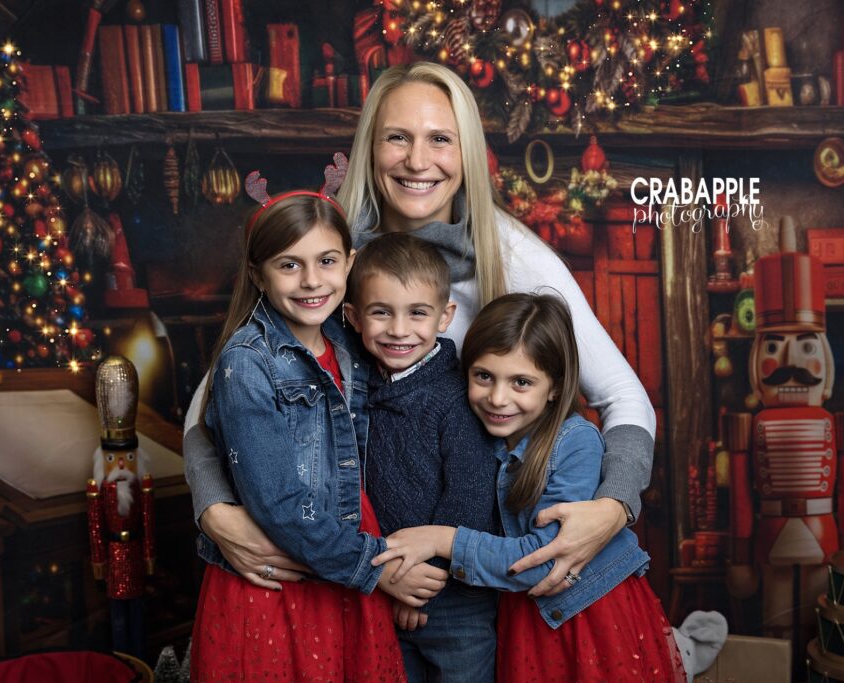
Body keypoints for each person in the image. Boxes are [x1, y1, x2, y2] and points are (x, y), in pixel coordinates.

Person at [184, 61, 656, 597]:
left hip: (483, 567)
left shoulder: (512, 253)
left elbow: (623, 395)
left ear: (468, 154)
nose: (417, 160)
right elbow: (215, 403)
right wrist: (215, 510)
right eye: (397, 138)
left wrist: (613, 505)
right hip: (355, 563)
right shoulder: (328, 258)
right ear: (371, 148)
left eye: (440, 139)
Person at [189, 192, 447, 680]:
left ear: (349, 263)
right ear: (258, 272)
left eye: (327, 261)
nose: (311, 281)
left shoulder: (351, 339)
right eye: (289, 265)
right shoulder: (247, 361)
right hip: (289, 574)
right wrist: (380, 567)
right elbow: (279, 503)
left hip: (347, 553)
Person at [373, 293, 686, 683]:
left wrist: (442, 541)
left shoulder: (575, 443)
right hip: (522, 616)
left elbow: (545, 559)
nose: (498, 398)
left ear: (555, 387)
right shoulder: (474, 432)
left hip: (586, 618)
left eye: (521, 382)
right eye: (483, 376)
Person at [342, 232, 500, 681]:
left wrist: (421, 582)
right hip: (384, 586)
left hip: (454, 601)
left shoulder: (454, 396)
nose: (398, 329)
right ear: (353, 317)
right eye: (380, 312)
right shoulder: (353, 389)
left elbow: (470, 493)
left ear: (445, 316)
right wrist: (395, 583)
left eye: (417, 313)